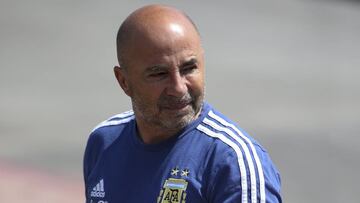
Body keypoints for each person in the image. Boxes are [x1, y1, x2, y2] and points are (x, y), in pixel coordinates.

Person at [83, 4, 282, 203]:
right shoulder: (103, 143)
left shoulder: (233, 164)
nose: (178, 88)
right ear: (124, 81)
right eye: (159, 74)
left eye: (189, 68)